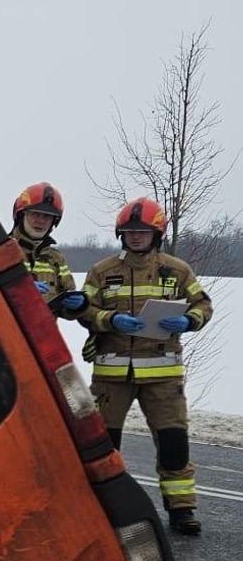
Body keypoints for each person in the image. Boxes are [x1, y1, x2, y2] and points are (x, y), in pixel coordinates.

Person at [83, 198, 213, 536]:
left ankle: (182, 509)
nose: (136, 236)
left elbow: (203, 305)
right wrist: (109, 319)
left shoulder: (177, 270)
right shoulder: (101, 271)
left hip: (163, 376)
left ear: (157, 234)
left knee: (173, 444)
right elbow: (84, 310)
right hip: (112, 376)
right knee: (104, 447)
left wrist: (188, 320)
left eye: (142, 231)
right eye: (129, 231)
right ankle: (100, 508)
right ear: (120, 234)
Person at [11, 183, 86, 316]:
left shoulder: (56, 258)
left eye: (47, 216)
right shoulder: (1, 250)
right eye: (36, 214)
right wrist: (20, 289)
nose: (41, 221)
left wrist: (77, 307)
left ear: (54, 221)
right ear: (21, 215)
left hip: (45, 329)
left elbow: (66, 301)